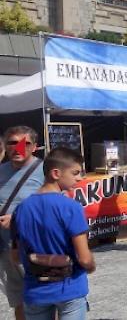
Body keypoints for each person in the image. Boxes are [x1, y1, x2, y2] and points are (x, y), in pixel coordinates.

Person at [11, 148, 95, 320]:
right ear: (56, 173)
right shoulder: (71, 207)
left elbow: (16, 257)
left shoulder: (20, 210)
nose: (80, 178)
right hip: (69, 288)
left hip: (35, 290)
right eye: (75, 173)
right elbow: (84, 258)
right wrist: (91, 266)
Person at [0, 126, 45, 320]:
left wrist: (19, 217)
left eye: (25, 143)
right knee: (17, 298)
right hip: (5, 247)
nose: (18, 148)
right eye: (12, 143)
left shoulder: (46, 171)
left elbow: (56, 209)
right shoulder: (1, 170)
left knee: (42, 297)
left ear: (34, 147)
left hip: (33, 246)